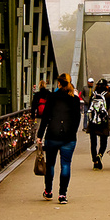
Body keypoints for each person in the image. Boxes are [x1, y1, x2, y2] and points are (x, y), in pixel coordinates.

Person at [41, 73, 83, 203]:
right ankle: (62, 195)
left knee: (50, 164)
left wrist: (39, 135)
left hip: (52, 135)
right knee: (65, 164)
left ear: (58, 83)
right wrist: (72, 132)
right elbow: (77, 119)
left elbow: (45, 117)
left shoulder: (52, 97)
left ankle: (48, 191)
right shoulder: (74, 99)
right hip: (68, 137)